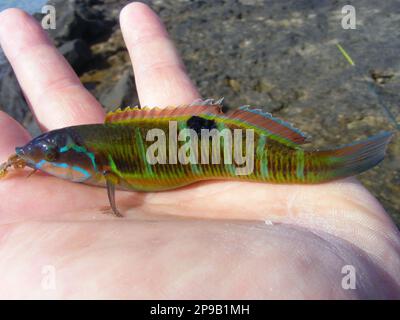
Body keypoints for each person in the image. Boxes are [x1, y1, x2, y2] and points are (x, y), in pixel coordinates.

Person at [0, 2, 398, 299]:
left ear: (93, 162)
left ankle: (318, 165)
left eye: (52, 154)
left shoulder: (108, 173)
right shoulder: (91, 158)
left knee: (292, 163)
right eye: (46, 155)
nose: (42, 158)